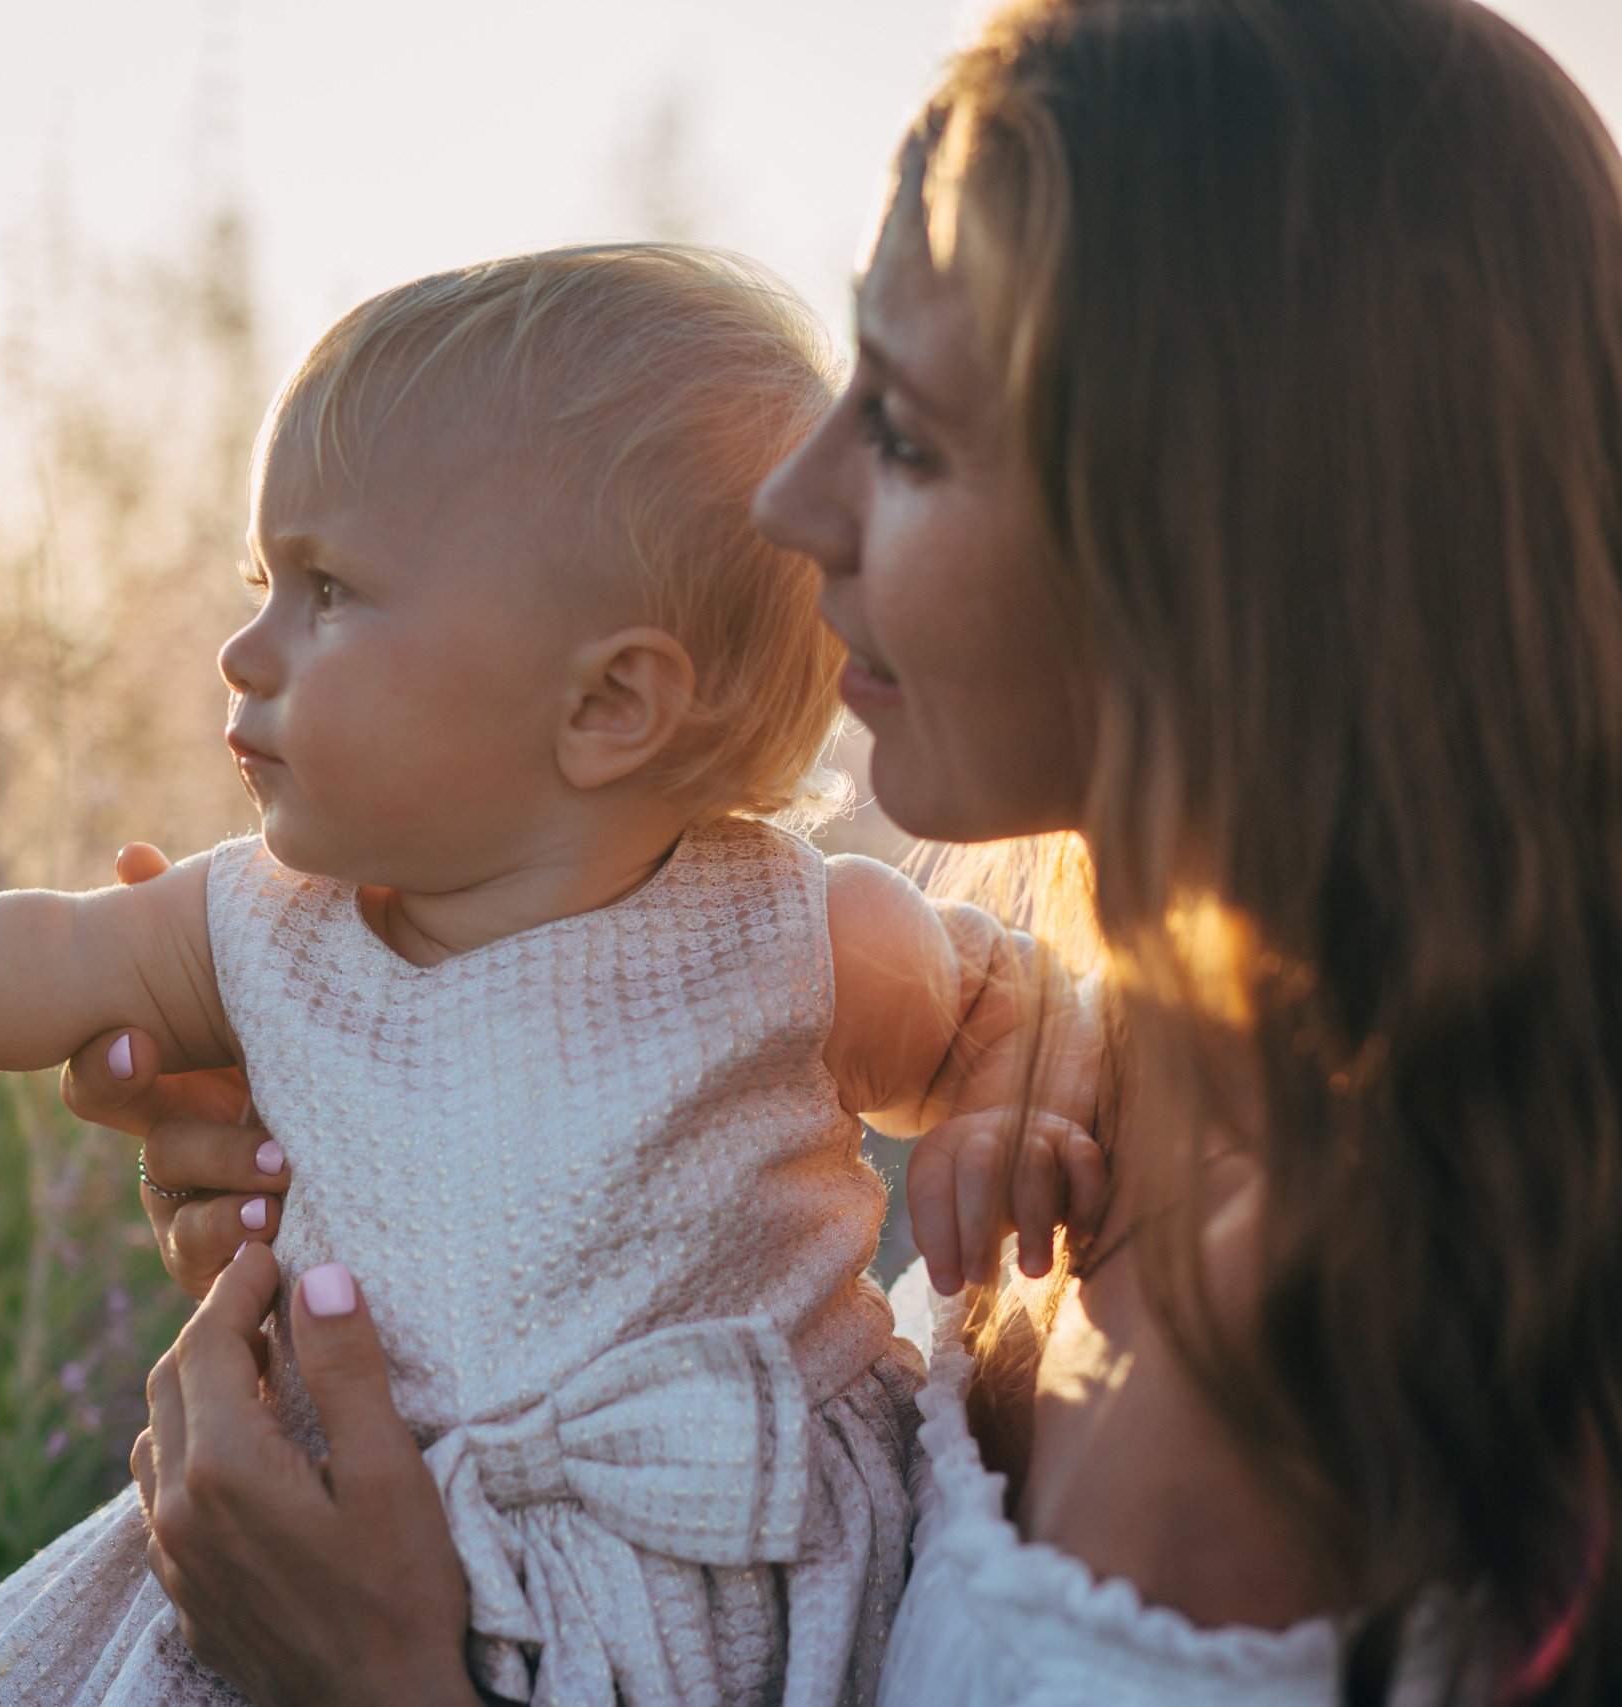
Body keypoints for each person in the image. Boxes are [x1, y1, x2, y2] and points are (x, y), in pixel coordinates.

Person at [85, 0, 1622, 1702]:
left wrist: (372, 1679)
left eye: (903, 432)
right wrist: (435, 1220)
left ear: (1221, 524)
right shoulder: (1093, 1088)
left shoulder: (1330, 1339)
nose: (791, 506)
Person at [0, 243, 1103, 1706]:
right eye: (259, 582)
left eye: (328, 590)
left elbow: (1033, 1022)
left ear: (610, 704)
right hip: (336, 1572)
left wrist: (997, 1112)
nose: (245, 650)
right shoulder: (252, 928)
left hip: (742, 1585)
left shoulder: (806, 937)